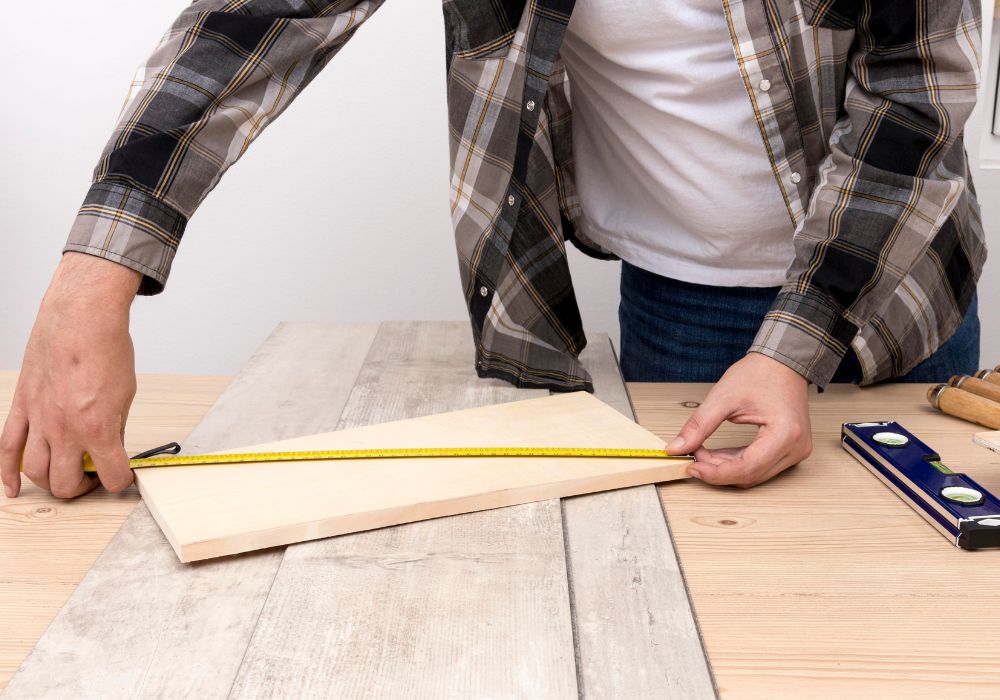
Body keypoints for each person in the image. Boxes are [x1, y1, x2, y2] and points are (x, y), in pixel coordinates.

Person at [0, 0, 985, 499]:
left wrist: (788, 351)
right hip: (677, 310)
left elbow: (917, 90)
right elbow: (248, 30)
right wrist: (90, 279)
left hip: (887, 308)